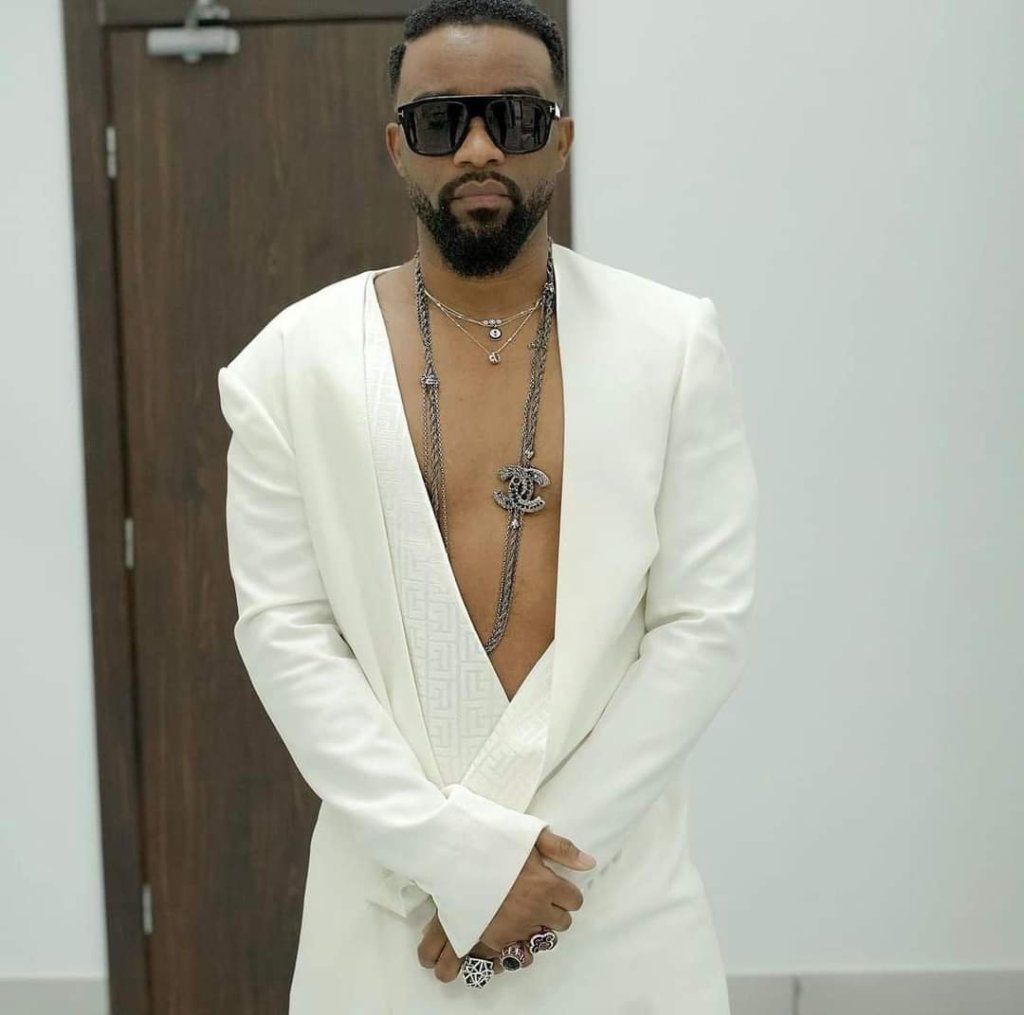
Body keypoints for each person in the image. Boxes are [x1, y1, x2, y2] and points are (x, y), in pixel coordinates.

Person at [217, 0, 758, 1010]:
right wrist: (452, 858)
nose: (476, 149)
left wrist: (542, 860)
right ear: (397, 147)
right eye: (439, 122)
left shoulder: (670, 344)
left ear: (560, 137)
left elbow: (703, 625)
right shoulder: (290, 365)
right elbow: (285, 632)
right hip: (393, 902)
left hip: (603, 890)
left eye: (512, 117)